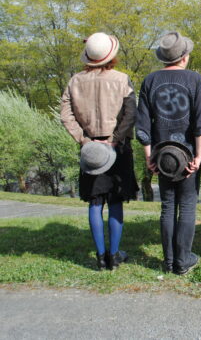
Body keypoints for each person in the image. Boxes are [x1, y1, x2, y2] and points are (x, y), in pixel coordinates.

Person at [60, 32, 138, 270]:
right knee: (115, 200)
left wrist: (83, 140)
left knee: (95, 203)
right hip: (117, 147)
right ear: (111, 56)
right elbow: (131, 114)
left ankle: (100, 256)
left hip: (91, 149)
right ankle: (114, 256)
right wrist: (115, 139)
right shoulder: (122, 79)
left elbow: (66, 115)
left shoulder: (75, 81)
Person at [136, 31, 201, 275]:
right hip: (187, 154)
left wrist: (149, 158)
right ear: (184, 57)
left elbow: (143, 125)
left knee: (167, 206)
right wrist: (198, 156)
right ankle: (183, 261)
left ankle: (168, 262)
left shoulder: (150, 80)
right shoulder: (195, 79)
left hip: (162, 156)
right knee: (187, 207)